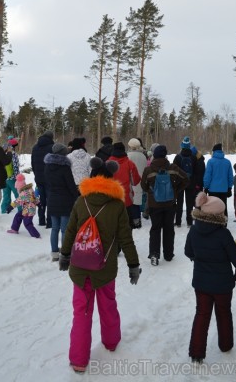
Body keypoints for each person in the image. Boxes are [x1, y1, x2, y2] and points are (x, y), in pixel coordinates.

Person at [58, 157, 141, 373]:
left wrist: (65, 255)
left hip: (80, 269)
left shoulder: (80, 201)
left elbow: (70, 231)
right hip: (104, 269)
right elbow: (126, 238)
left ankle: (78, 360)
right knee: (108, 306)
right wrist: (133, 265)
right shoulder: (116, 206)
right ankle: (111, 342)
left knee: (81, 313)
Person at [185, 192, 236, 364]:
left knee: (202, 314)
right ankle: (226, 345)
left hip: (201, 284)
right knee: (224, 313)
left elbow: (188, 252)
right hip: (223, 285)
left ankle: (196, 353)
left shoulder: (194, 230)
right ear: (219, 214)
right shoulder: (223, 234)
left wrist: (199, 258)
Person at [141, 144, 188, 265]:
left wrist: (152, 192)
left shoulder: (148, 170)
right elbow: (186, 179)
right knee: (169, 228)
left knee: (155, 229)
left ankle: (154, 255)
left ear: (154, 155)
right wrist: (175, 190)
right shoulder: (173, 168)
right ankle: (168, 254)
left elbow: (143, 186)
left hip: (154, 205)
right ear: (165, 155)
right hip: (170, 204)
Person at [44, 143, 79, 261]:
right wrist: (77, 195)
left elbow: (47, 184)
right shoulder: (65, 167)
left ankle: (54, 253)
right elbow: (71, 185)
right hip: (65, 200)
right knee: (65, 229)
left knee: (55, 228)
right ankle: (65, 253)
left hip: (52, 199)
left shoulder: (47, 166)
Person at [107, 142, 141, 229]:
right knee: (127, 227)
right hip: (127, 199)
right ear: (124, 150)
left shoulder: (107, 163)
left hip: (111, 198)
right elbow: (135, 181)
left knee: (112, 227)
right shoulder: (130, 163)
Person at [173, 136, 200, 227]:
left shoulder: (177, 157)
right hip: (190, 182)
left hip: (180, 183)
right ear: (189, 146)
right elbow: (196, 172)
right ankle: (189, 222)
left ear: (182, 145)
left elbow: (174, 171)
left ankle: (178, 222)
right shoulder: (193, 157)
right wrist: (195, 182)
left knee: (179, 203)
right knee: (189, 203)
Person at [31, 130, 55, 227]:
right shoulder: (52, 147)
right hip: (50, 179)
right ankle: (49, 222)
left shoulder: (35, 147)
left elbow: (32, 163)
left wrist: (36, 173)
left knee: (41, 199)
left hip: (39, 178)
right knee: (50, 200)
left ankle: (41, 220)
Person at [7, 173, 41, 238]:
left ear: (19, 187)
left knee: (27, 223)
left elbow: (18, 201)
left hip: (29, 211)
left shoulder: (23, 193)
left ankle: (36, 235)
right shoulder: (30, 190)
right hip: (27, 208)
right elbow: (34, 198)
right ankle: (14, 229)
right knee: (18, 215)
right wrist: (38, 203)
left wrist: (10, 207)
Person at [203, 143, 233, 215]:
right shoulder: (227, 162)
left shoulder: (211, 162)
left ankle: (213, 224)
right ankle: (223, 223)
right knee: (223, 207)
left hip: (213, 190)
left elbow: (208, 176)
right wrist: (229, 188)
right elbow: (230, 176)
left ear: (214, 151)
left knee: (213, 208)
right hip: (224, 190)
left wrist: (206, 187)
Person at [127, 138, 147, 228]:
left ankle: (130, 221)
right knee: (137, 202)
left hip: (131, 181)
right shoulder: (143, 156)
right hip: (140, 180)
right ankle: (137, 221)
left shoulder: (128, 156)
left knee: (130, 201)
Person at [0, 137, 20, 214]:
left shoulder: (2, 153)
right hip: (12, 178)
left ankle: (4, 210)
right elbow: (15, 166)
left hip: (4, 178)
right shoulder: (13, 154)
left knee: (6, 195)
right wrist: (18, 177)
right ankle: (20, 209)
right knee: (18, 194)